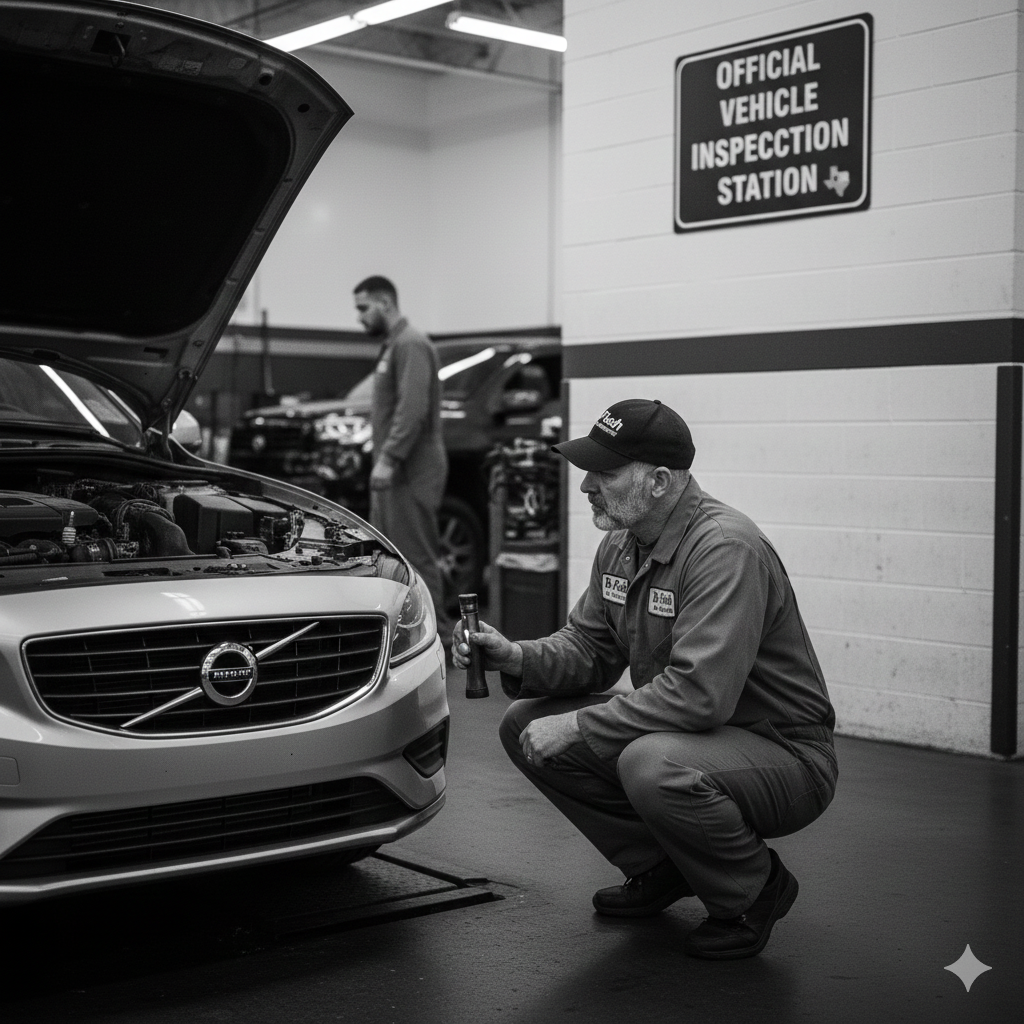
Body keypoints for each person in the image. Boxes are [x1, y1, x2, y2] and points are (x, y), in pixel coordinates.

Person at [452, 398, 838, 960]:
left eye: (606, 473)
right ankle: (661, 867)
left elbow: (698, 696)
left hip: (786, 754)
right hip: (701, 737)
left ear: (659, 481)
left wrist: (580, 725)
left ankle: (753, 889)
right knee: (524, 723)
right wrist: (514, 656)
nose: (586, 486)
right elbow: (589, 646)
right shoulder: (623, 544)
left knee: (650, 762)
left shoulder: (725, 549)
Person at [354, 275, 449, 633]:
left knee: (417, 556)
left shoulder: (411, 344)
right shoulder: (394, 345)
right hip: (396, 470)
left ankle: (437, 637)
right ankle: (408, 633)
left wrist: (390, 457)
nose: (360, 317)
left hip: (412, 468)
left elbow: (413, 409)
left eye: (364, 308)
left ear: (385, 303)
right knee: (393, 556)